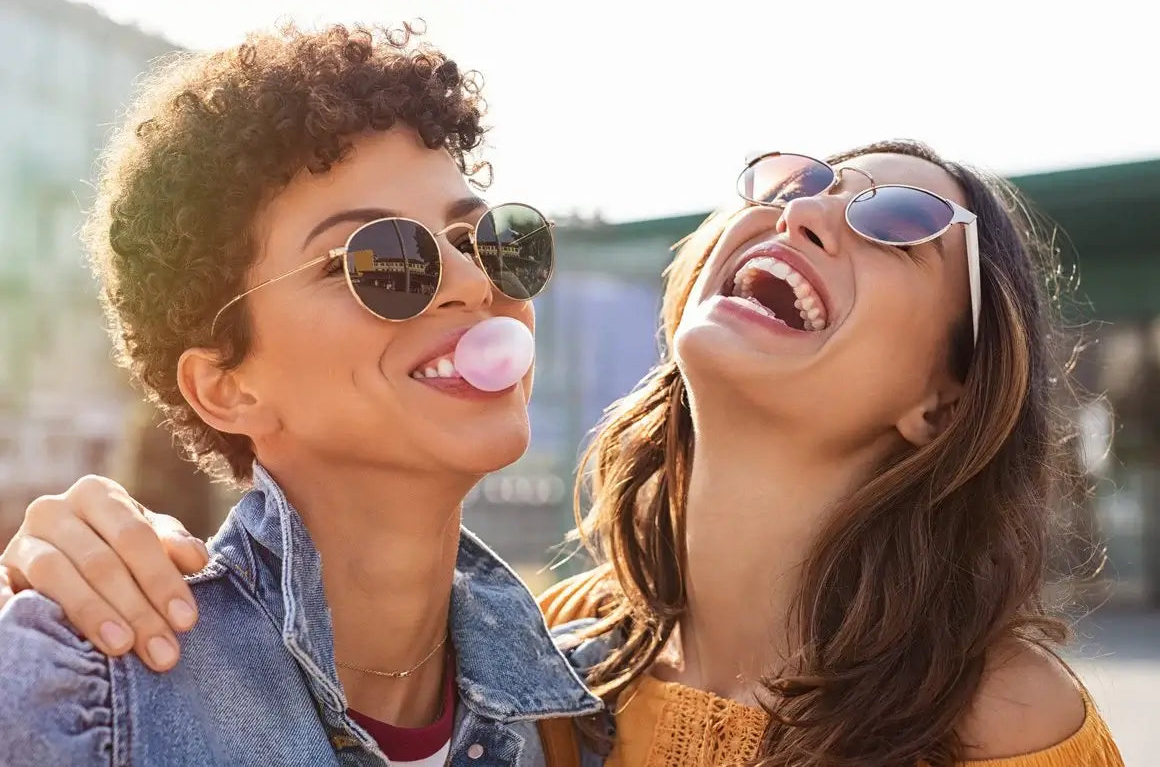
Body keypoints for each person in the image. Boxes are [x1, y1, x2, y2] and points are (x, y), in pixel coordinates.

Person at [0, 140, 1125, 765]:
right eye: (792, 186)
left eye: (892, 224)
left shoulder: (1006, 724)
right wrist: (96, 556)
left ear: (943, 399)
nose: (804, 214)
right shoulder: (548, 683)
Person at [0, 22, 602, 766]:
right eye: (384, 260)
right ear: (227, 389)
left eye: (486, 241)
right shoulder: (79, 692)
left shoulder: (587, 711)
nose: (476, 283)